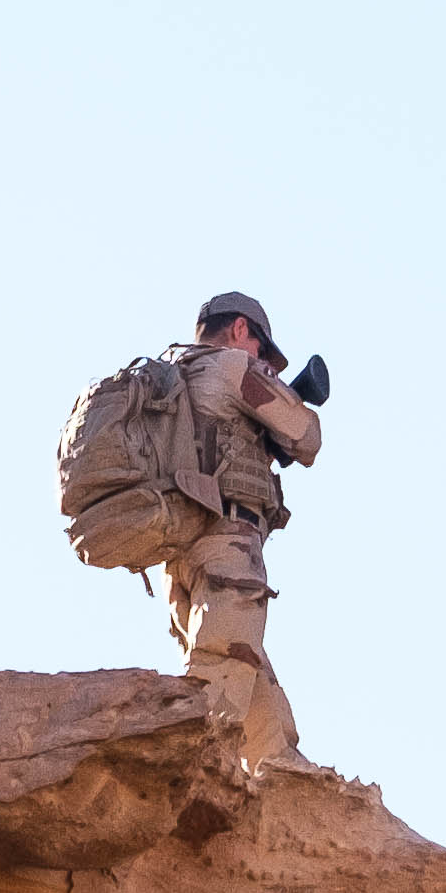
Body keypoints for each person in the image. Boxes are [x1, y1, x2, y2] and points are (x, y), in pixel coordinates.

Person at [164, 292, 323, 763]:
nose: (260, 360)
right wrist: (281, 395)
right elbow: (307, 437)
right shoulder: (234, 367)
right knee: (221, 671)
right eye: (260, 348)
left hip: (179, 554)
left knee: (244, 670)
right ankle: (182, 771)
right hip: (226, 542)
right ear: (238, 330)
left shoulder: (174, 375)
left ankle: (285, 778)